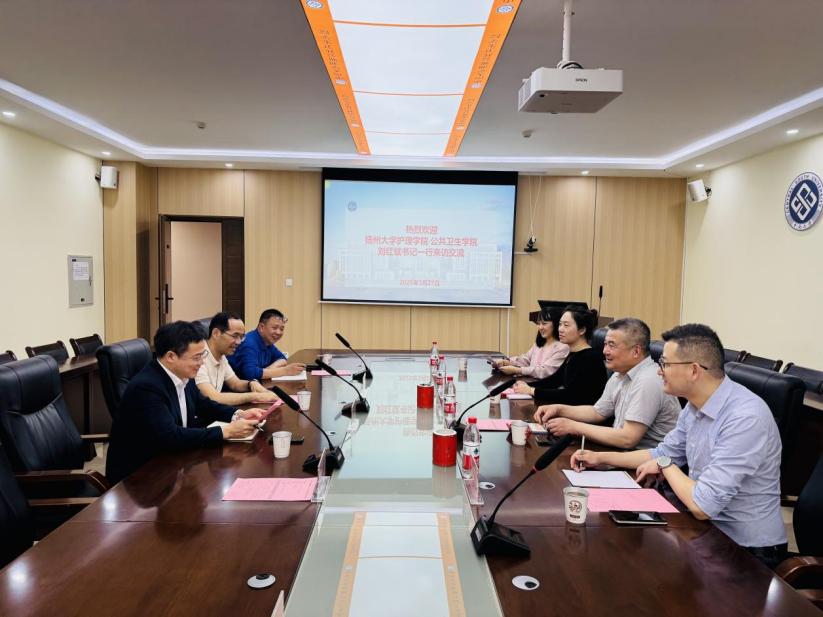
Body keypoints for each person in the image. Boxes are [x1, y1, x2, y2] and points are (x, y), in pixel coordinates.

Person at [571, 323, 786, 567]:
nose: (659, 371)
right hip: (702, 530)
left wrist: (664, 464)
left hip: (746, 552)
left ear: (693, 370)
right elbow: (661, 452)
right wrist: (600, 458)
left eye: (665, 364)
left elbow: (702, 504)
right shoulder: (694, 406)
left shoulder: (745, 418)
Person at [106, 321, 265, 485]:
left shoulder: (182, 374)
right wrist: (225, 432)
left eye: (203, 355)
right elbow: (170, 436)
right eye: (196, 358)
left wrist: (238, 414)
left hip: (173, 463)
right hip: (140, 478)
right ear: (171, 357)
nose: (201, 363)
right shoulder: (147, 388)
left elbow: (204, 405)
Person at [534, 317, 680, 449]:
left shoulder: (648, 380)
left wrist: (574, 427)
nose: (605, 351)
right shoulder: (619, 373)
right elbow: (598, 412)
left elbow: (627, 439)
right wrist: (558, 409)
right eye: (605, 344)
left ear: (636, 351)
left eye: (612, 345)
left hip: (649, 464)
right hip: (622, 453)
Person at [512, 306, 607, 405]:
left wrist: (532, 390)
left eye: (566, 325)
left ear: (582, 330)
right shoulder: (573, 354)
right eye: (560, 324)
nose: (560, 329)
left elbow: (570, 395)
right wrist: (527, 385)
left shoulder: (590, 358)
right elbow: (554, 380)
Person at [195, 311, 281, 405]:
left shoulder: (221, 356)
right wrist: (255, 396)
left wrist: (251, 384)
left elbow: (235, 383)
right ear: (216, 333)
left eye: (241, 337)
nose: (239, 342)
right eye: (235, 336)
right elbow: (213, 397)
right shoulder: (198, 357)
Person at [229, 308, 306, 380]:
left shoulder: (267, 342)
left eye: (281, 329)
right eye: (274, 328)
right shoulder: (249, 343)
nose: (278, 332)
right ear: (261, 327)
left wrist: (268, 370)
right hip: (236, 388)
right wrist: (285, 371)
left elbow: (282, 359)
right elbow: (250, 374)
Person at [493, 307, 569, 378]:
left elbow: (545, 371)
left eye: (544, 323)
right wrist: (507, 362)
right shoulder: (539, 343)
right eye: (538, 323)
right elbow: (526, 360)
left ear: (556, 324)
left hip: (545, 386)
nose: (540, 327)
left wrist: (517, 370)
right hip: (530, 382)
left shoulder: (562, 347)